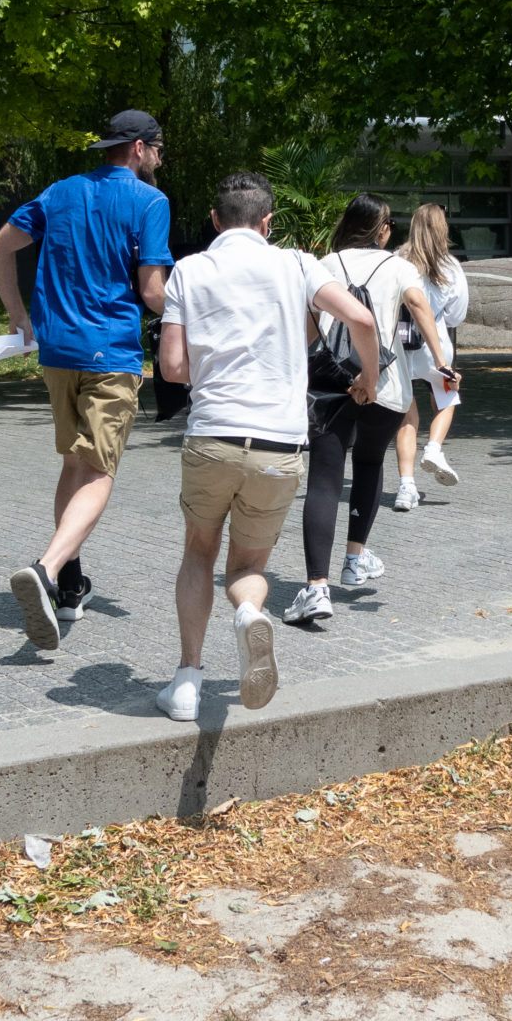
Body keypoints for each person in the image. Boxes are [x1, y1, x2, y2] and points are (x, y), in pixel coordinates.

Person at [156, 171, 381, 722]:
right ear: (268, 222)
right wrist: (369, 379)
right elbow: (360, 317)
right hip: (279, 444)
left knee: (199, 552)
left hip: (212, 435)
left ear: (215, 220)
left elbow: (173, 366)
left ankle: (186, 682)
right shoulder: (297, 265)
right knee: (249, 563)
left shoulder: (189, 270)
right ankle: (249, 614)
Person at [0, 109, 170, 651]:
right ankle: (45, 571)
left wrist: (17, 316)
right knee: (99, 471)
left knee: (74, 462)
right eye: (159, 150)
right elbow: (153, 293)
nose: (160, 160)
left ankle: (69, 588)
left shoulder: (60, 192)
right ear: (138, 148)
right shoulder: (150, 202)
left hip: (57, 350)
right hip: (110, 352)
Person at [285, 193, 459, 626]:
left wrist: (294, 370)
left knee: (325, 479)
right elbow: (419, 307)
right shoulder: (398, 267)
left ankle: (317, 586)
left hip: (332, 384)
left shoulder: (325, 264)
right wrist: (441, 362)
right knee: (368, 464)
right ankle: (354, 559)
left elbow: (309, 326)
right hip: (386, 384)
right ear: (381, 230)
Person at [392, 201, 470, 509]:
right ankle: (434, 448)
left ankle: (406, 487)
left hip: (399, 347)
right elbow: (456, 316)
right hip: (435, 349)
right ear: (442, 229)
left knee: (406, 418)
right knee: (447, 399)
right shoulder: (450, 266)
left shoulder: (396, 260)